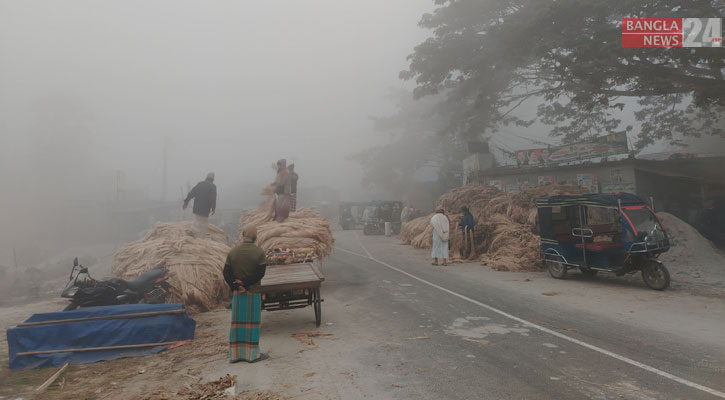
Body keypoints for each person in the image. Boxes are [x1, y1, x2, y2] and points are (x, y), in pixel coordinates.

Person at [223, 225, 268, 363]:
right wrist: (246, 284)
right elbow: (260, 273)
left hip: (238, 294)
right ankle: (252, 355)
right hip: (252, 294)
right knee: (252, 325)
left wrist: (236, 285)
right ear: (255, 237)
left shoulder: (233, 252)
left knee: (237, 325)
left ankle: (236, 355)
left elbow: (226, 273)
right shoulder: (259, 253)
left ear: (243, 235)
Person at [183, 172, 217, 238]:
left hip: (196, 208)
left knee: (197, 221)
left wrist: (186, 201)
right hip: (205, 209)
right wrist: (213, 208)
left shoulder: (200, 184)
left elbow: (191, 193)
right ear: (213, 179)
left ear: (206, 177)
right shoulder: (212, 186)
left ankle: (192, 233)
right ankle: (199, 239)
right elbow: (213, 198)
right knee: (203, 224)